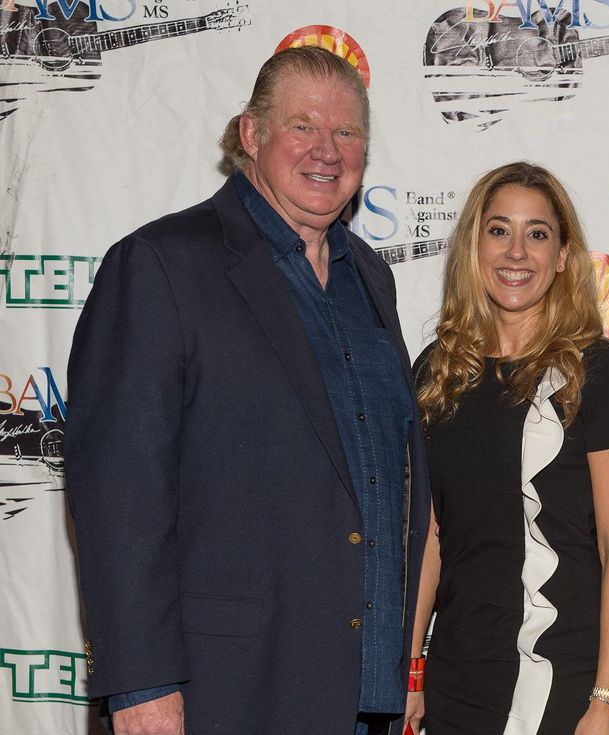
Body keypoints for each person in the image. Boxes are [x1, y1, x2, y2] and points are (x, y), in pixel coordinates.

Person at [65, 47, 430, 735]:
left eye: (347, 132)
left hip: (359, 694)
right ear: (250, 135)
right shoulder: (161, 266)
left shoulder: (371, 281)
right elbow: (119, 493)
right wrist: (141, 685)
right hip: (222, 691)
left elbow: (385, 481)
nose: (327, 150)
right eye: (302, 125)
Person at [405, 162, 609, 735]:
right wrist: (412, 668)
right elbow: (430, 538)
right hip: (456, 677)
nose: (516, 251)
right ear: (474, 245)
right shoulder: (440, 373)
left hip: (560, 679)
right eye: (499, 230)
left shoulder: (602, 375)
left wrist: (608, 701)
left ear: (564, 255)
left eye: (537, 233)